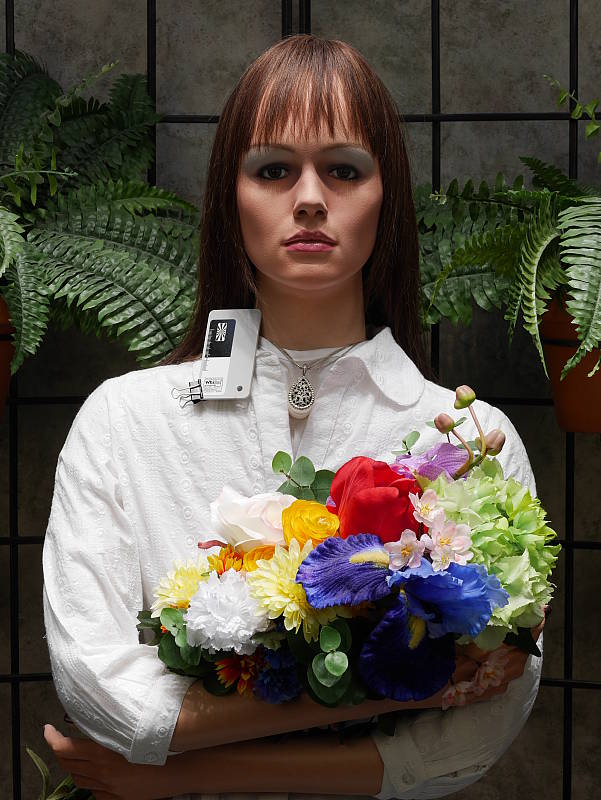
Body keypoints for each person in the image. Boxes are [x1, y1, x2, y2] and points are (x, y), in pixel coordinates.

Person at [42, 35, 545, 800]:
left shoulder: (470, 442)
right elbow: (101, 689)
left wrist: (189, 772)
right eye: (273, 170)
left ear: (387, 197)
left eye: (343, 170)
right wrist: (414, 684)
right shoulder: (124, 421)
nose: (309, 197)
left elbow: (469, 743)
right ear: (230, 196)